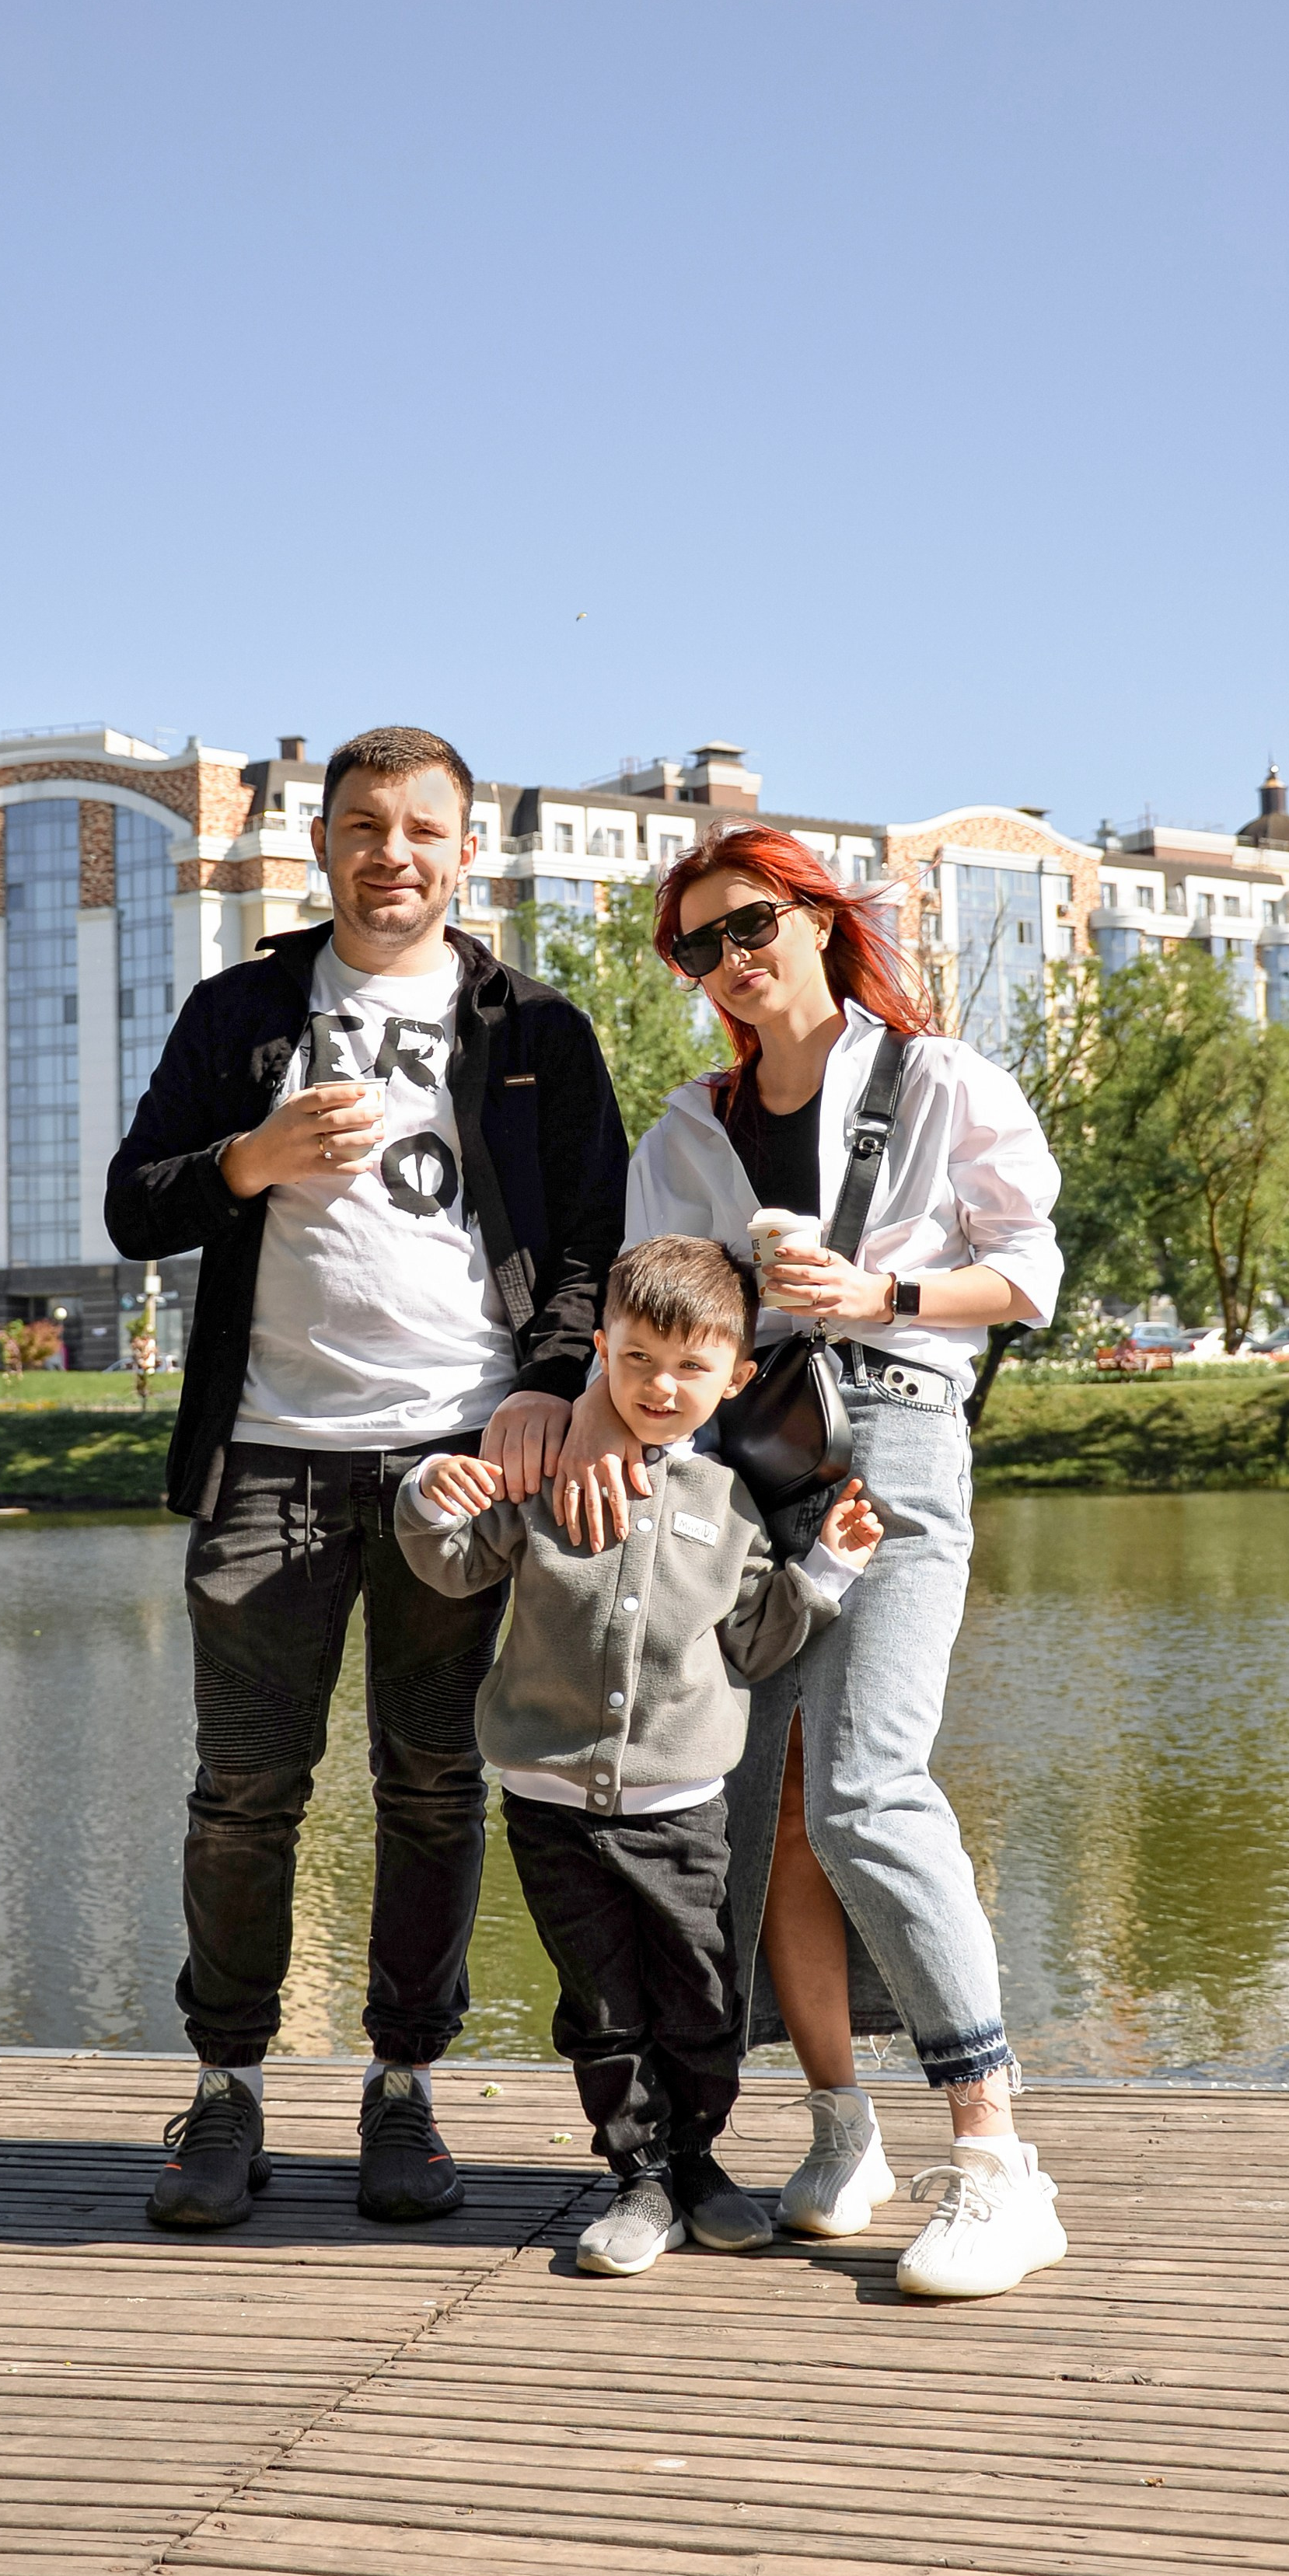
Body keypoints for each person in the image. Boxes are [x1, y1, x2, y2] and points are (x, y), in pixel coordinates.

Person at [106, 725, 628, 2230]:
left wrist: (542, 1384)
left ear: (465, 853)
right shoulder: (243, 1012)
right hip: (268, 1452)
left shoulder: (534, 1027)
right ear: (318, 845)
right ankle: (225, 2089)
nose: (390, 854)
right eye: (360, 827)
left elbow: (587, 1239)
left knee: (431, 1786)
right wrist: (247, 1164)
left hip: (455, 1459)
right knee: (244, 1795)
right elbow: (139, 1206)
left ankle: (405, 2091)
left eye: (421, 830)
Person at [554, 822, 1068, 2301]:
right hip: (735, 1467)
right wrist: (590, 1428)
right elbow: (651, 1324)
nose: (734, 960)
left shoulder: (939, 1078)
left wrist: (881, 1287)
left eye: (754, 925)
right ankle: (843, 2135)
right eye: (702, 944)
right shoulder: (683, 1133)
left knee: (865, 1788)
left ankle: (994, 2160)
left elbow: (1026, 1273)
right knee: (758, 1809)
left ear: (821, 918)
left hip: (898, 1433)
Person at [396, 1234, 883, 2277]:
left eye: (691, 1367)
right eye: (637, 1361)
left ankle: (700, 2164)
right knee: (604, 2006)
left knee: (704, 1993)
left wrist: (831, 1567)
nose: (661, 1387)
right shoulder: (549, 1482)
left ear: (736, 1377)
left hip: (683, 1806)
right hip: (549, 1801)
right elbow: (450, 1565)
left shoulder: (732, 1505)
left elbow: (758, 1642)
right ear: (602, 1354)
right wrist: (432, 1488)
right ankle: (641, 2179)